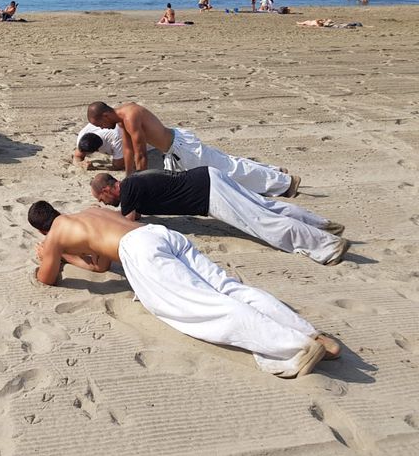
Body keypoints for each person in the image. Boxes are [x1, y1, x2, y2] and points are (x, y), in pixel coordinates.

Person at [27, 203, 339, 378]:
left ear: (43, 229)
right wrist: (71, 253)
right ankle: (310, 334)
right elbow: (100, 266)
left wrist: (52, 254)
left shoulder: (55, 236)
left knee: (203, 306)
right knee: (227, 287)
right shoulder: (90, 211)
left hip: (140, 250)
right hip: (159, 235)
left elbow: (47, 278)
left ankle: (296, 346)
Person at [90, 168, 348, 265]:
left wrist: (101, 221)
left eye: (102, 198)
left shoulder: (130, 189)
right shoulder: (134, 181)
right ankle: (322, 226)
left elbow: (128, 222)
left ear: (108, 188)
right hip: (209, 177)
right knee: (266, 207)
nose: (105, 202)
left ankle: (328, 246)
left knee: (261, 222)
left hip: (208, 193)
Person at [86, 101, 297, 196]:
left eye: (99, 124)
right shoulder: (122, 117)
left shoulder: (130, 117)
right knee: (225, 161)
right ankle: (274, 172)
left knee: (227, 169)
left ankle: (285, 183)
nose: (101, 129)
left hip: (182, 149)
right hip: (174, 152)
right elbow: (129, 151)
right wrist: (128, 182)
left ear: (105, 115)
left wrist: (137, 187)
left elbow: (141, 154)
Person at [73, 123, 161, 171]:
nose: (82, 153)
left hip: (151, 143)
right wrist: (80, 163)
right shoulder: (83, 135)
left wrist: (96, 168)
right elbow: (77, 156)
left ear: (96, 150)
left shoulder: (116, 140)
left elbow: (117, 166)